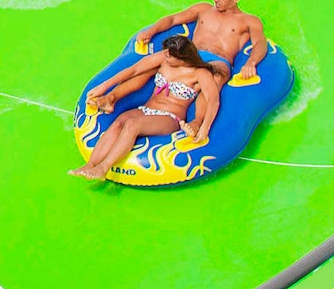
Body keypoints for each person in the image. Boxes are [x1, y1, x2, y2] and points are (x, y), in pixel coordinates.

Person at [70, 35, 221, 181]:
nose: (165, 55)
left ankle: (103, 168)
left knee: (132, 124)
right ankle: (90, 165)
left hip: (169, 117)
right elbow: (133, 70)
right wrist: (104, 88)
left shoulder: (200, 73)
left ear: (182, 57)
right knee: (118, 122)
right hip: (146, 109)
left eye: (169, 54)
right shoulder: (164, 60)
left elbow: (213, 100)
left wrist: (204, 127)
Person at [136, 0, 266, 85]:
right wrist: (150, 32)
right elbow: (173, 19)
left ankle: (201, 115)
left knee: (213, 80)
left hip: (217, 62)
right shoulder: (203, 9)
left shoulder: (249, 21)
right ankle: (116, 94)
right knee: (152, 64)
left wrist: (251, 63)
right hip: (192, 56)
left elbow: (259, 44)